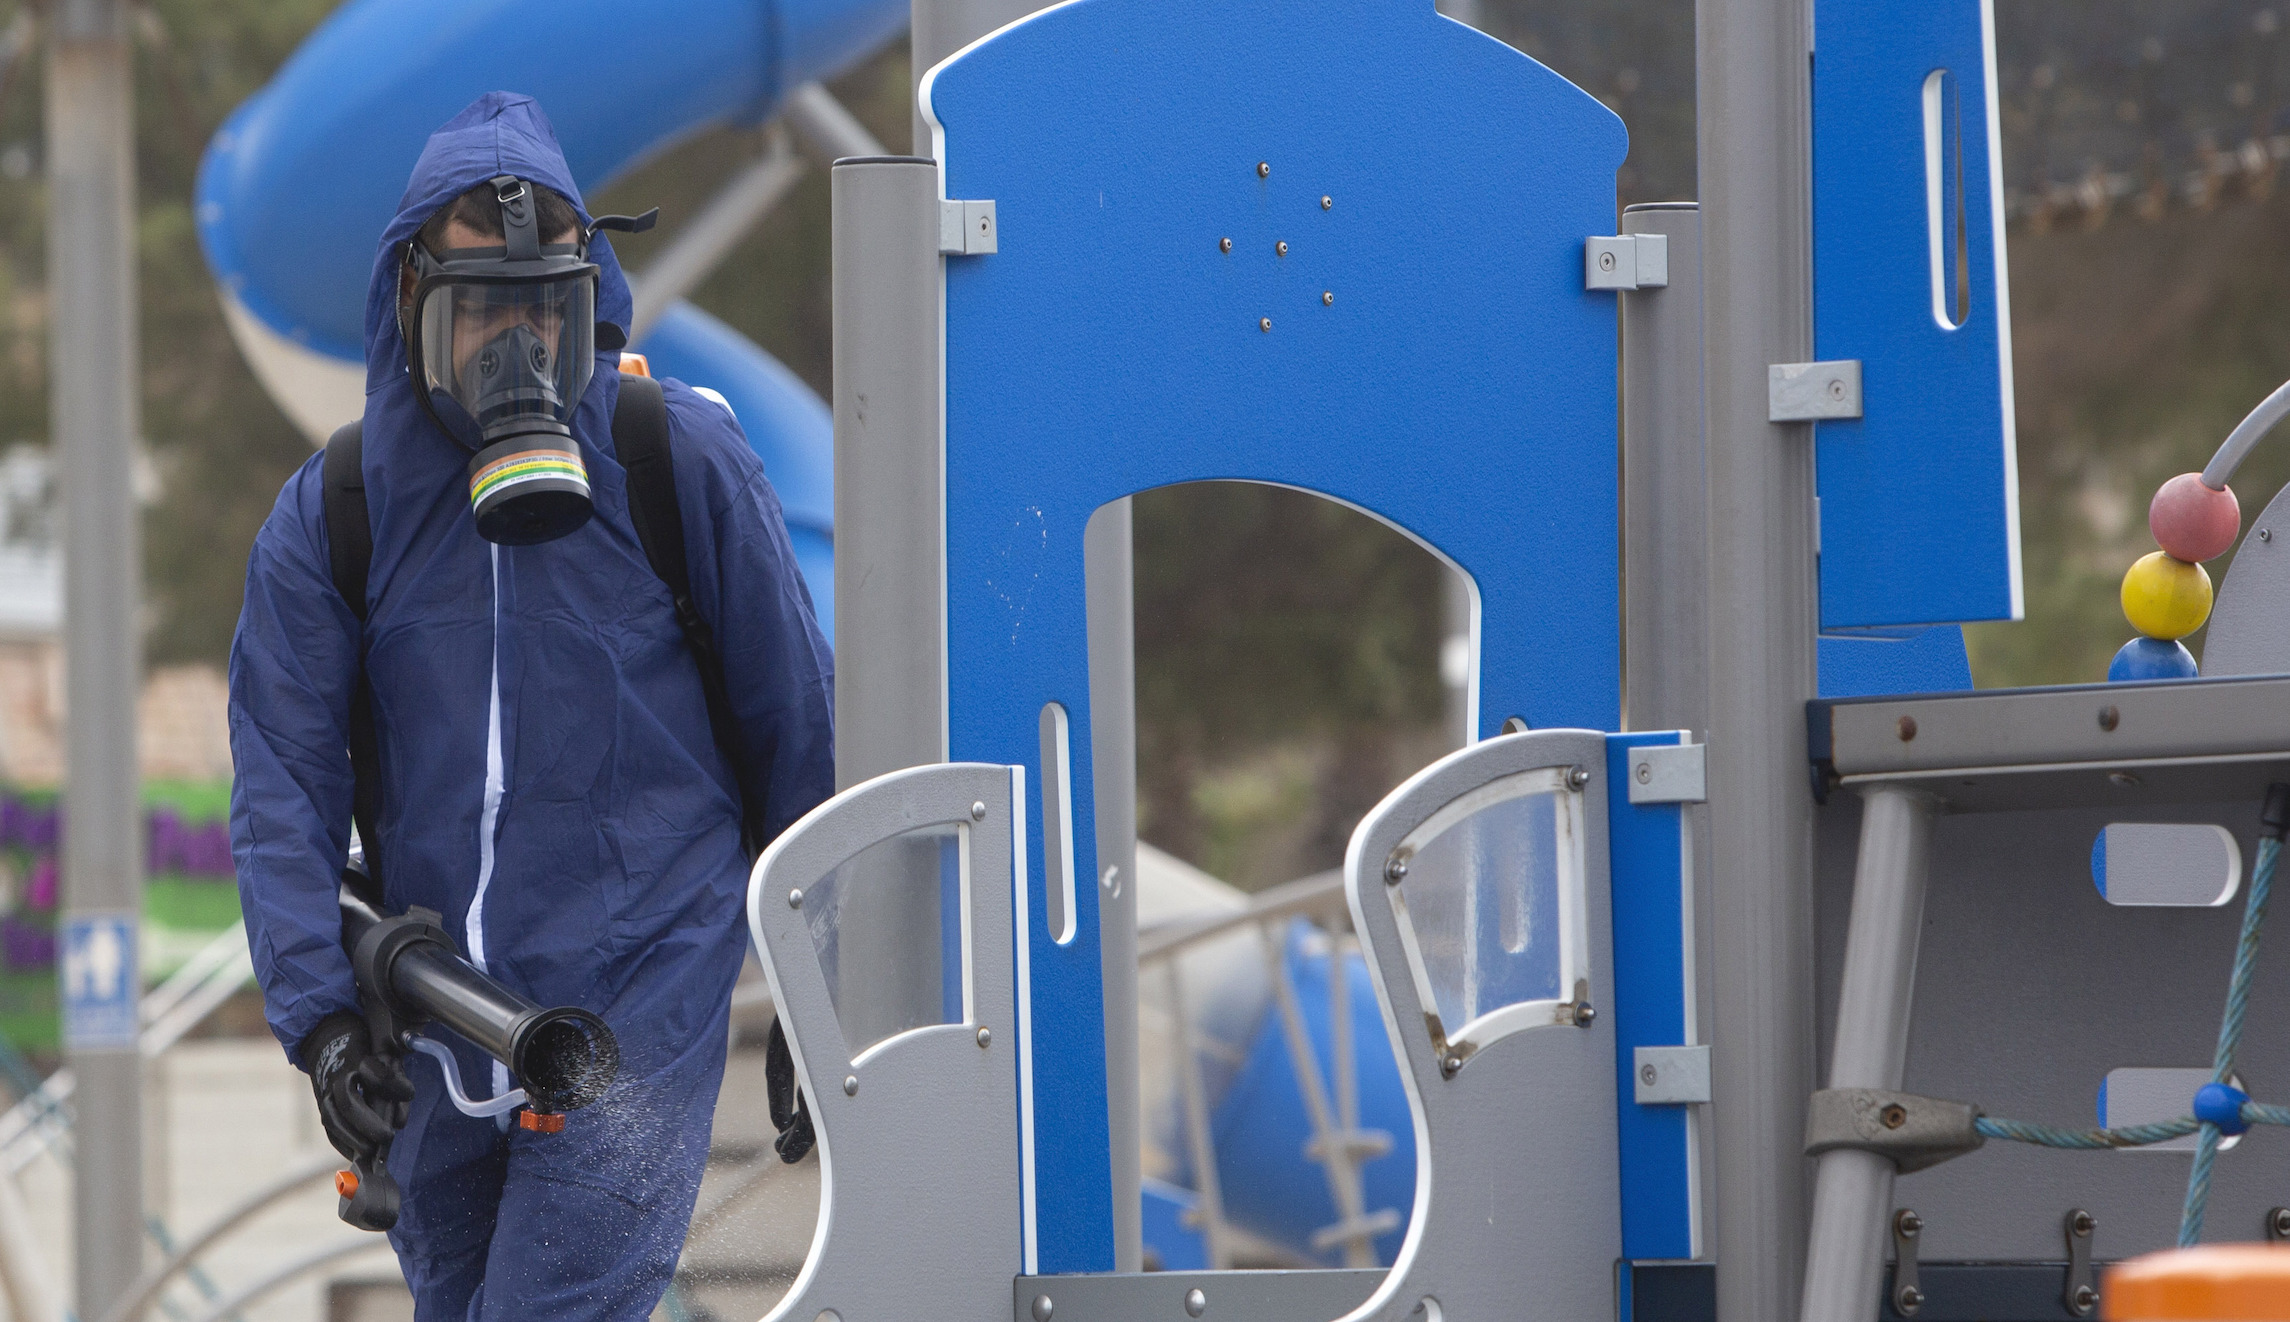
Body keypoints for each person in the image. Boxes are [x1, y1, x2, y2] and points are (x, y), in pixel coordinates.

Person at [228, 92, 834, 1319]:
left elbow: (800, 737)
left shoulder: (677, 464)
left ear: (587, 303)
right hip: (432, 1007)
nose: (519, 354)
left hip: (637, 998)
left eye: (543, 315)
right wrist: (327, 1023)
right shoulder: (337, 508)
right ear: (412, 307)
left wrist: (834, 990)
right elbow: (282, 785)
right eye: (481, 317)